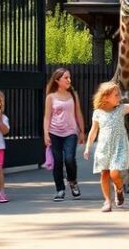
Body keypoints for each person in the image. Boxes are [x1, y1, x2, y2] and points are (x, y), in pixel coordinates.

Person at [83, 79, 129, 212]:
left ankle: (119, 189)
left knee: (115, 173)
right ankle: (107, 201)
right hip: (104, 147)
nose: (119, 97)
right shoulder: (98, 112)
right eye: (116, 95)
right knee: (104, 174)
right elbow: (93, 131)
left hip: (119, 146)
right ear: (106, 97)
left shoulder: (121, 109)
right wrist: (87, 147)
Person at [43, 67, 86, 201]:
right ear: (57, 80)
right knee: (57, 162)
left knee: (69, 159)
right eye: (66, 78)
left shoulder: (73, 94)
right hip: (54, 132)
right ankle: (60, 190)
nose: (69, 80)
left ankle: (72, 182)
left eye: (69, 77)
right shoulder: (50, 97)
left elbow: (78, 113)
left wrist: (82, 131)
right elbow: (47, 117)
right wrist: (46, 133)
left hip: (70, 132)